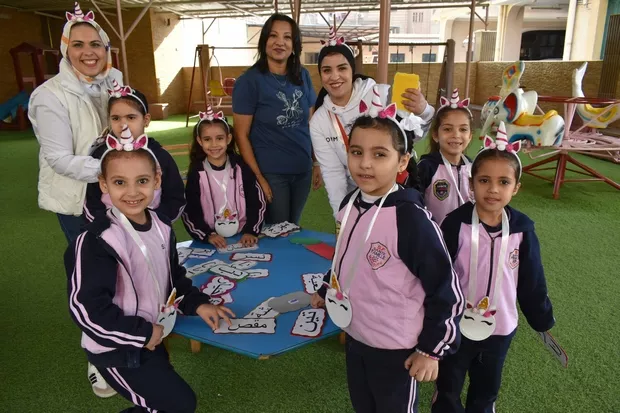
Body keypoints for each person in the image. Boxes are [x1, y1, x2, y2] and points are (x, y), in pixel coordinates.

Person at [311, 87, 463, 413]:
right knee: (363, 405)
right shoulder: (351, 203)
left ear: (402, 161)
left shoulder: (411, 218)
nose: (365, 164)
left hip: (397, 347)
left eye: (380, 154)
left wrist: (431, 350)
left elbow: (447, 289)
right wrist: (327, 287)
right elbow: (345, 255)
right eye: (356, 152)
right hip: (356, 334)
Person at [65, 129, 235, 412]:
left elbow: (173, 277)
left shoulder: (161, 225)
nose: (132, 192)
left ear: (157, 180)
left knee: (162, 404)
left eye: (142, 181)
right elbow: (86, 310)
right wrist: (141, 334)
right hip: (118, 350)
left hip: (151, 336)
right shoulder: (97, 240)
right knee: (178, 405)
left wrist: (197, 303)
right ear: (104, 184)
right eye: (120, 182)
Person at [433, 122, 555, 413]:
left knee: (486, 389)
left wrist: (541, 318)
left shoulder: (522, 230)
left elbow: (531, 280)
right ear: (471, 183)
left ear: (516, 187)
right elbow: (438, 276)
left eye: (504, 182)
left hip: (500, 327)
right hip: (457, 325)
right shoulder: (455, 224)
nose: (493, 189)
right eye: (484, 180)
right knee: (448, 385)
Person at [310, 26, 433, 216]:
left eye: (342, 68)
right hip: (360, 194)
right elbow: (333, 174)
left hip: (397, 188)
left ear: (352, 70)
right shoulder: (319, 121)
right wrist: (342, 218)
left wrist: (425, 111)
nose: (334, 76)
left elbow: (416, 135)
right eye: (327, 70)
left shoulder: (384, 95)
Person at [28, 2, 123, 244]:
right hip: (78, 198)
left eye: (95, 44)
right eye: (78, 45)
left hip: (115, 190)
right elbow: (59, 159)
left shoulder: (113, 81)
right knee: (91, 260)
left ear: (105, 48)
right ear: (66, 50)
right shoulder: (49, 96)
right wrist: (117, 172)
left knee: (124, 256)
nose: (88, 52)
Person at [232, 13, 320, 225]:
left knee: (293, 226)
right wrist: (258, 177)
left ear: (294, 45)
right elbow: (241, 135)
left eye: (287, 37)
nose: (280, 42)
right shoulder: (249, 82)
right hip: (270, 172)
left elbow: (312, 124)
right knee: (277, 229)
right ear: (264, 41)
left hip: (302, 169)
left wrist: (316, 162)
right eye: (273, 35)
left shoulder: (302, 76)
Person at [83, 82, 185, 222]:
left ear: (146, 120)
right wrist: (106, 224)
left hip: (154, 229)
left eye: (131, 117)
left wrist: (153, 222)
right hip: (112, 229)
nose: (123, 124)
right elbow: (91, 199)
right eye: (116, 118)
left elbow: (175, 197)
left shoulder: (161, 156)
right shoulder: (100, 155)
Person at [182, 106, 266, 249]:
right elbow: (190, 209)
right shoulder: (196, 171)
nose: (214, 144)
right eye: (207, 139)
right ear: (200, 141)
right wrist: (207, 235)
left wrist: (251, 231)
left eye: (219, 138)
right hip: (212, 239)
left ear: (228, 138)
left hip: (243, 235)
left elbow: (256, 200)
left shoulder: (241, 166)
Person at [417, 89, 473, 225]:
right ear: (436, 135)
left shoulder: (473, 167)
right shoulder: (426, 167)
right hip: (434, 234)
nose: (456, 135)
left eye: (463, 129)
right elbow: (414, 206)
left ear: (470, 136)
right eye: (447, 129)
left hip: (466, 236)